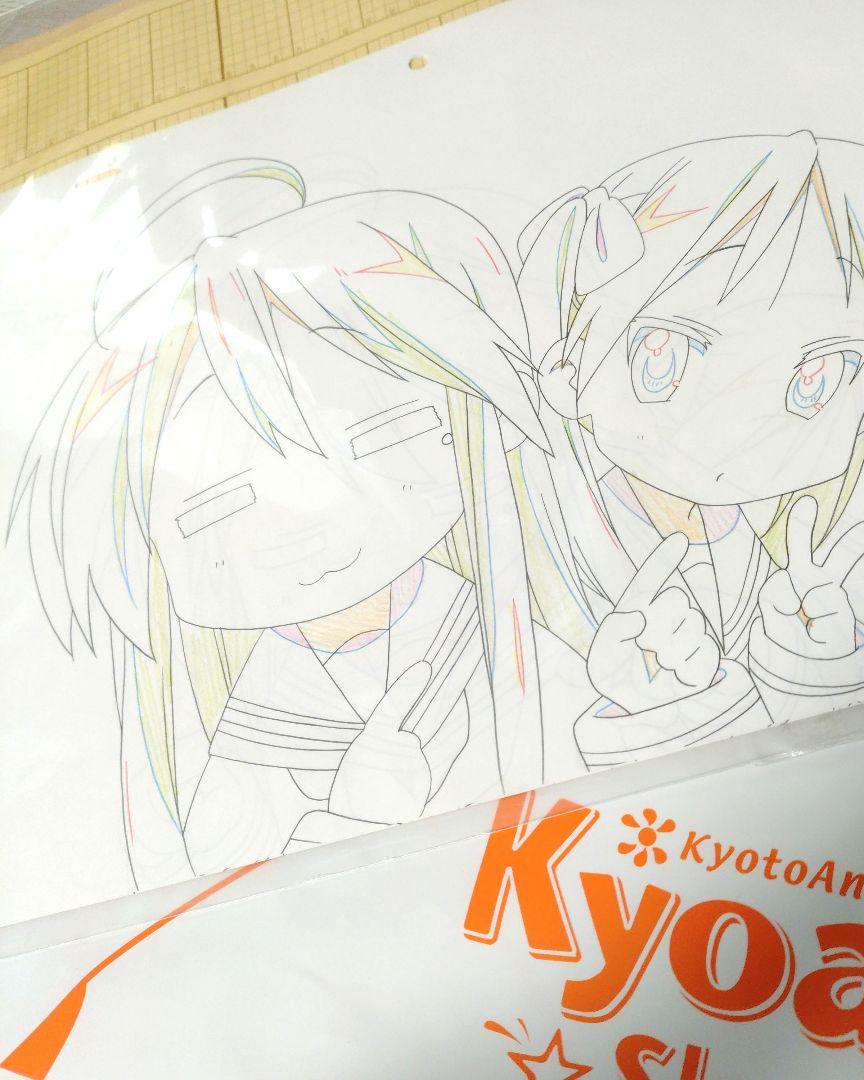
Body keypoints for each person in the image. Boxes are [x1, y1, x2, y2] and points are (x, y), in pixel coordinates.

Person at [10, 160, 598, 888]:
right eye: (219, 505)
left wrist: (641, 700)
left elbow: (589, 765)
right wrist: (343, 828)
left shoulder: (497, 637)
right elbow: (226, 899)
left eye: (380, 437)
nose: (312, 526)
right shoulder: (247, 739)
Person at [514, 132, 864, 761]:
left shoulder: (801, 562)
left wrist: (816, 672)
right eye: (664, 355)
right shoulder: (528, 563)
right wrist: (648, 709)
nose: (736, 426)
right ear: (567, 368)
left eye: (817, 378)